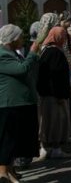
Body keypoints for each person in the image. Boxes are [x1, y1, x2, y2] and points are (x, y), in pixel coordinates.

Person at [0, 25, 40, 183]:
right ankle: (2, 173)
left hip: (18, 103)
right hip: (8, 104)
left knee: (14, 140)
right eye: (20, 37)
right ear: (13, 39)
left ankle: (10, 171)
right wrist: (32, 52)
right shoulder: (2, 55)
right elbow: (21, 70)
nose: (22, 40)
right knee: (7, 139)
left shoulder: (11, 53)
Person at [37, 27, 71, 159]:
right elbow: (56, 76)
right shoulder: (55, 53)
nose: (64, 39)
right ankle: (56, 149)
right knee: (56, 122)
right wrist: (59, 95)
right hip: (54, 96)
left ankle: (46, 149)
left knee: (46, 123)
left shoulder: (46, 51)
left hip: (45, 94)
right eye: (63, 36)